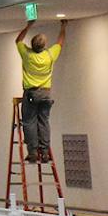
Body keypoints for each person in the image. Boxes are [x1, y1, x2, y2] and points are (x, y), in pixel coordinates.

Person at [14, 19, 65, 163]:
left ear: (32, 45)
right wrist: (63, 26)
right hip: (46, 93)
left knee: (29, 122)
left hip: (31, 93)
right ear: (44, 46)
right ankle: (45, 152)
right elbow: (60, 42)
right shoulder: (49, 55)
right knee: (44, 121)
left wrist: (29, 25)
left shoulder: (27, 55)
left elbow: (18, 40)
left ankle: (33, 152)